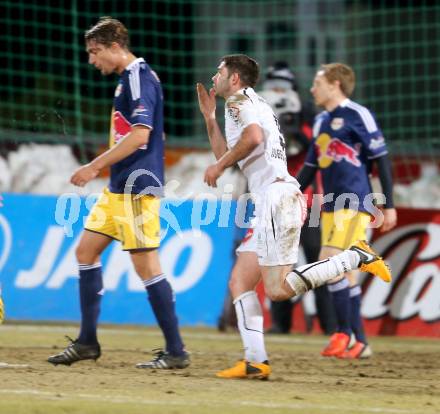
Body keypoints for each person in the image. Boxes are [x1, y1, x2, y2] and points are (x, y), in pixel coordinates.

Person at [196, 54, 392, 379]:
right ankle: (256, 360)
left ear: (234, 79)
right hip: (273, 199)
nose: (214, 76)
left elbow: (251, 141)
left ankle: (353, 257)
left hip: (276, 198)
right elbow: (227, 154)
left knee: (276, 290)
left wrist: (218, 166)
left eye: (220, 72)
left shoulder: (239, 102)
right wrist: (209, 118)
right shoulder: (246, 104)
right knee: (241, 282)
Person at [47, 17, 189, 369]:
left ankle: (176, 351)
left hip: (137, 190)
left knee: (146, 266)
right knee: (85, 251)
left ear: (115, 47)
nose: (92, 60)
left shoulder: (140, 77)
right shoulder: (127, 80)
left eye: (96, 52)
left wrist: (94, 166)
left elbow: (141, 134)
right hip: (118, 191)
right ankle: (87, 341)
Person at [297, 63, 397, 359]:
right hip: (329, 204)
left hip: (355, 201)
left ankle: (343, 333)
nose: (312, 89)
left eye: (317, 83)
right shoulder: (320, 122)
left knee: (327, 261)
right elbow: (312, 165)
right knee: (346, 274)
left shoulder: (358, 114)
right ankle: (360, 342)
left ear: (335, 84)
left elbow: (382, 160)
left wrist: (388, 204)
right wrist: (291, 192)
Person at [259, 62, 337, 335]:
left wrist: (293, 127)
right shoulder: (260, 115)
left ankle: (330, 326)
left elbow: (317, 147)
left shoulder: (308, 116)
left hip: (308, 200)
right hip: (278, 200)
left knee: (319, 264)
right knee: (280, 264)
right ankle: (282, 324)